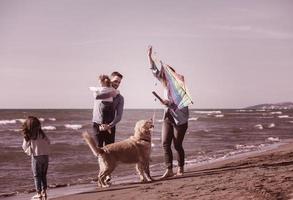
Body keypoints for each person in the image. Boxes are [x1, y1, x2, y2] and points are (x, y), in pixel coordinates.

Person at [148, 46, 189, 178]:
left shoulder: (181, 86)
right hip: (168, 117)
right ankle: (169, 169)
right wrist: (149, 57)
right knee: (165, 143)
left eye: (167, 74)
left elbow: (181, 104)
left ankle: (181, 168)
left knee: (177, 145)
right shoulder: (164, 83)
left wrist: (170, 103)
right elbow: (154, 71)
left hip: (180, 119)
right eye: (164, 74)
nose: (164, 76)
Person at [92, 71, 124, 147]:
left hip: (110, 126)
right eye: (115, 81)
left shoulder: (120, 98)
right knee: (98, 151)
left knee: (109, 152)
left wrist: (109, 126)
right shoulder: (100, 91)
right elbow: (95, 96)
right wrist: (110, 94)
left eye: (119, 82)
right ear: (110, 79)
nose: (117, 84)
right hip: (97, 125)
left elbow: (119, 116)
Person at [21, 116, 50, 199]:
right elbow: (48, 142)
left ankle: (38, 193)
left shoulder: (29, 136)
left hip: (37, 157)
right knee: (43, 175)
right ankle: (44, 191)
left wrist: (29, 151)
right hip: (45, 157)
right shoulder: (42, 133)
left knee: (36, 175)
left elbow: (24, 146)